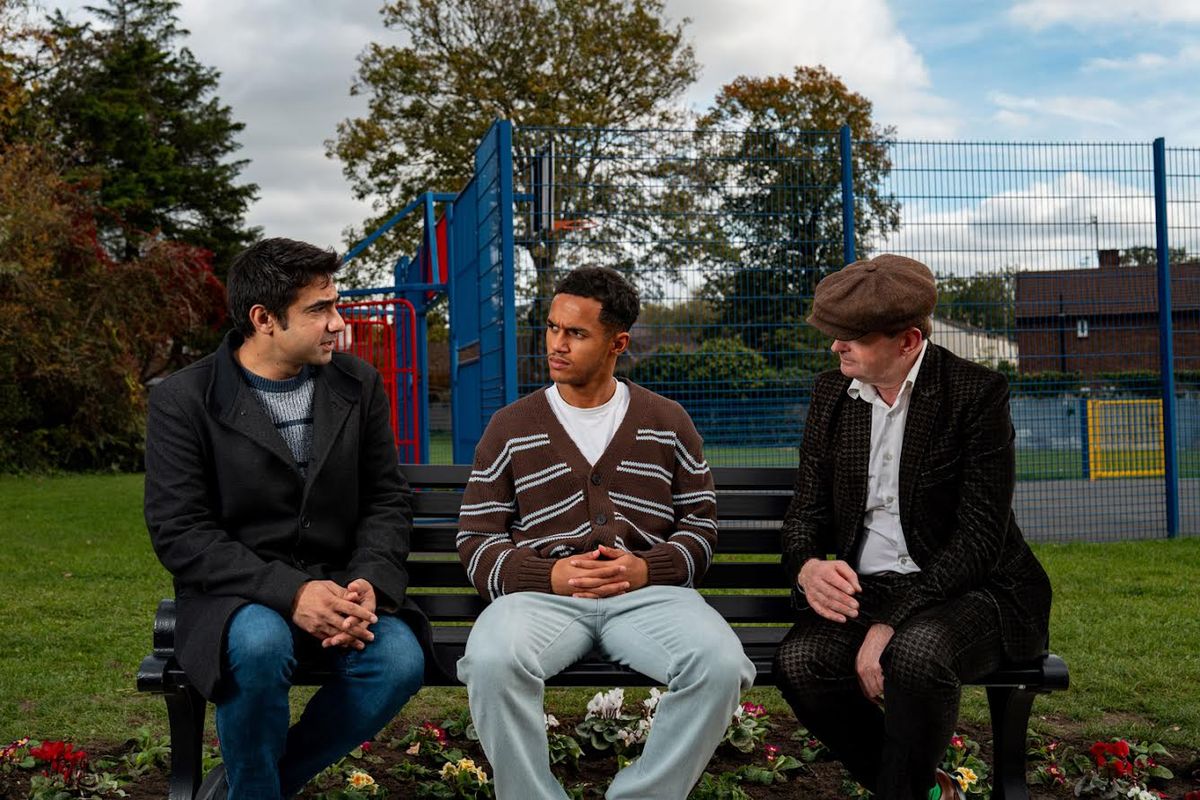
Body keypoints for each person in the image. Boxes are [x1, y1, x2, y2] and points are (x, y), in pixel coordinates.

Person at [144, 238, 430, 800]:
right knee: (260, 644)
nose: (338, 324)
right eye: (319, 310)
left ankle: (255, 790)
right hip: (234, 596)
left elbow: (386, 497)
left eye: (335, 305)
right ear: (264, 319)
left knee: (398, 660)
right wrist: (293, 592)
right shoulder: (184, 399)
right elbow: (180, 531)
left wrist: (368, 581)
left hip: (341, 587)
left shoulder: (358, 384)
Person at [455, 266, 756, 800]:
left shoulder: (668, 420)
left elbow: (700, 525)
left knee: (721, 664)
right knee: (491, 660)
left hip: (650, 598)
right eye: (552, 328)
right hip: (540, 601)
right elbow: (476, 537)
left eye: (576, 333)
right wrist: (547, 575)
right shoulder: (511, 425)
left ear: (618, 343)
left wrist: (648, 568)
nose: (556, 344)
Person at [774, 254, 1052, 800]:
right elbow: (805, 510)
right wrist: (807, 567)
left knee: (916, 655)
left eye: (853, 336)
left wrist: (889, 625)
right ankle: (927, 789)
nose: (836, 347)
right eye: (835, 333)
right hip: (872, 588)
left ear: (907, 341)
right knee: (800, 663)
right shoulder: (832, 395)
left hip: (975, 590)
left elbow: (978, 540)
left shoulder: (974, 393)